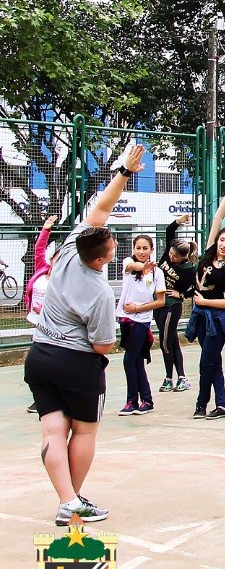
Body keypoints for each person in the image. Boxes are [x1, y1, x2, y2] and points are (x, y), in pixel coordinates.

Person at [25, 144, 143, 525]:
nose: (112, 239)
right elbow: (103, 344)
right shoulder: (100, 294)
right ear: (103, 257)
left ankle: (66, 500)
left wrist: (123, 171)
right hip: (76, 362)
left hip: (39, 353)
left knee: (52, 429)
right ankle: (71, 500)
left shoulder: (71, 249)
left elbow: (102, 209)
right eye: (111, 243)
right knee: (85, 433)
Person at [187, 187, 225, 420]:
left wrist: (206, 301)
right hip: (200, 315)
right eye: (222, 239)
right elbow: (218, 218)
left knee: (206, 363)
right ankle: (221, 404)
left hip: (217, 319)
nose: (223, 244)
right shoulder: (208, 252)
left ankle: (201, 404)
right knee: (213, 362)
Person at [116, 235, 166, 415]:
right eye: (138, 248)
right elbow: (133, 266)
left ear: (152, 250)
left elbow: (160, 301)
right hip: (125, 319)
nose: (141, 251)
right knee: (136, 361)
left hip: (142, 321)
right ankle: (146, 400)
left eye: (145, 248)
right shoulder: (128, 263)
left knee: (129, 359)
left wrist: (138, 308)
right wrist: (142, 267)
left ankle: (131, 401)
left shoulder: (157, 273)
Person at [155, 216, 197, 396]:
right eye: (170, 253)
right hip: (158, 303)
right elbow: (169, 231)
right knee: (171, 341)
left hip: (172, 306)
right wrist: (178, 221)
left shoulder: (189, 269)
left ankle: (169, 378)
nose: (171, 257)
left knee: (165, 343)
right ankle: (182, 377)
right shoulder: (167, 255)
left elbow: (197, 287)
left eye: (175, 256)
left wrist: (181, 294)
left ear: (184, 257)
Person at [24, 215, 60, 414]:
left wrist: (44, 311)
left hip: (53, 327)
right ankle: (41, 398)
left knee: (45, 364)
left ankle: (48, 399)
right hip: (38, 326)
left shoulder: (64, 282)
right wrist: (46, 229)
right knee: (34, 367)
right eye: (56, 259)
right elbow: (39, 249)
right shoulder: (41, 271)